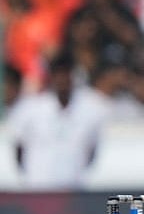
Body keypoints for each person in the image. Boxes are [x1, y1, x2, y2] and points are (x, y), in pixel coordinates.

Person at [8, 51, 110, 190]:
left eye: (66, 73)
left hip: (74, 192)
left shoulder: (91, 108)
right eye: (58, 74)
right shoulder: (30, 108)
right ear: (51, 76)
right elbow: (19, 151)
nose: (62, 79)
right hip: (37, 191)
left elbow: (92, 152)